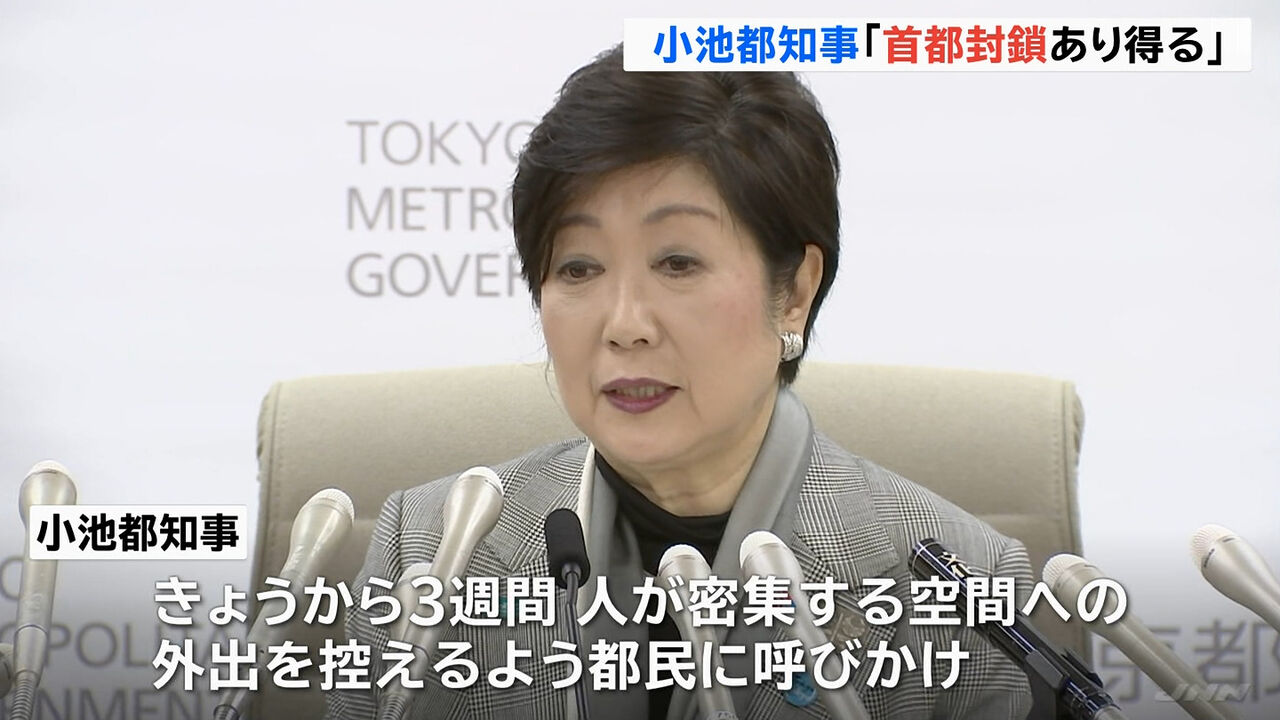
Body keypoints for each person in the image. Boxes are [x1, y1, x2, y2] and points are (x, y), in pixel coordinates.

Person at [327, 43, 1034, 720]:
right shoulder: (429, 551)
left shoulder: (961, 590)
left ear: (794, 292)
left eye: (677, 264)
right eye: (578, 268)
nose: (625, 325)